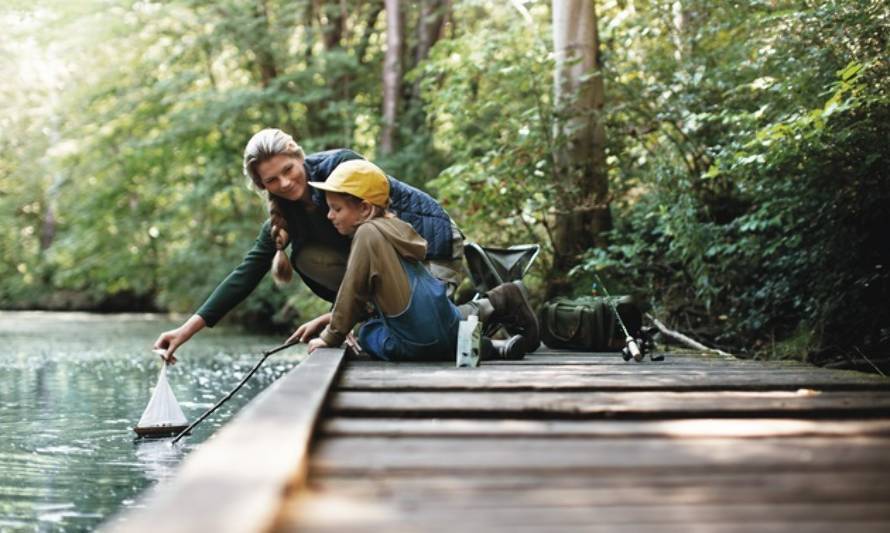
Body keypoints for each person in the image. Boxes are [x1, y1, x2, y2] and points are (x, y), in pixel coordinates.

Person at [154, 128, 465, 363]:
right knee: (306, 256)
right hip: (393, 270)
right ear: (263, 187)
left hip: (432, 247)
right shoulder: (285, 217)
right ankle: (376, 320)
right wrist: (185, 331)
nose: (285, 183)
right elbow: (246, 272)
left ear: (298, 156)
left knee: (424, 335)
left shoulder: (341, 167)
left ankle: (486, 308)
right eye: (272, 181)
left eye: (288, 170)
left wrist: (336, 323)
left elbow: (380, 241)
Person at [285, 159, 539, 361]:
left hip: (417, 342)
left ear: (364, 209)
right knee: (439, 328)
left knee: (368, 332)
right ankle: (496, 334)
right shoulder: (395, 227)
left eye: (336, 208)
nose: (329, 216)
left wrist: (331, 337)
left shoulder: (367, 234)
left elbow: (354, 289)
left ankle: (491, 341)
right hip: (446, 323)